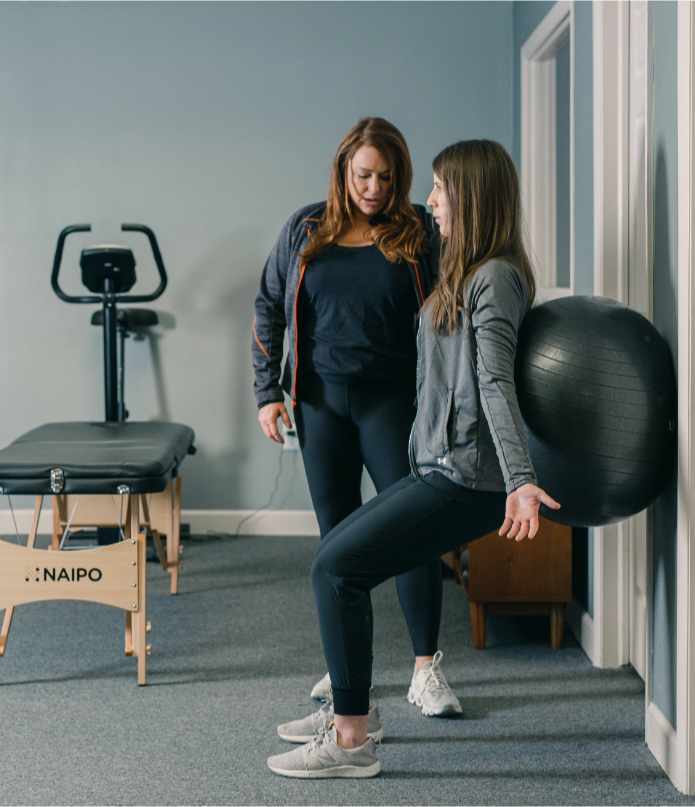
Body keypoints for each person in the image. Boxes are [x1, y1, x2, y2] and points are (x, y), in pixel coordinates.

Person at [266, 139, 561, 779]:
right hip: (438, 466)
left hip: (465, 478)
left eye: (439, 190)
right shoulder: (468, 269)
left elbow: (496, 384)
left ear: (472, 199)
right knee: (338, 560)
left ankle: (351, 743)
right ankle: (358, 714)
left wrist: (522, 480)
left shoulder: (495, 280)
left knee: (335, 569)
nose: (429, 203)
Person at [252, 118, 464, 734]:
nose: (373, 187)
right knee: (338, 540)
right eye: (363, 174)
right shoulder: (305, 229)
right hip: (320, 404)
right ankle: (350, 669)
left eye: (386, 176)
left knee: (412, 536)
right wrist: (269, 393)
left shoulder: (418, 231)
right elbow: (268, 304)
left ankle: (426, 668)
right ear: (344, 168)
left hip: (393, 403)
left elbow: (456, 298)